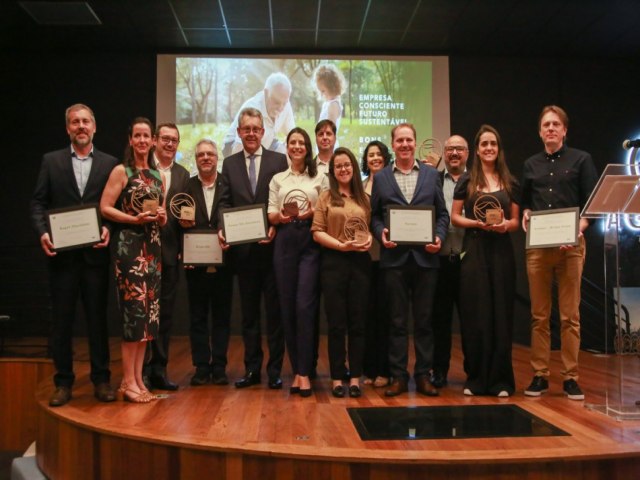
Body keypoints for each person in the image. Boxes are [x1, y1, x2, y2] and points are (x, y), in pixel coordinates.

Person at [31, 104, 118, 407]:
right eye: (74, 122)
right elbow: (38, 203)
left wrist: (107, 227)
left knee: (98, 320)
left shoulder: (110, 164)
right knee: (63, 322)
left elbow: (115, 205)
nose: (81, 126)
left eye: (85, 122)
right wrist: (43, 232)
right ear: (68, 128)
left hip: (95, 257)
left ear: (94, 127)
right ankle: (63, 382)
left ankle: (102, 379)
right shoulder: (51, 162)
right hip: (62, 258)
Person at [521, 105, 598, 401]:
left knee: (570, 316)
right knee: (539, 316)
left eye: (556, 124)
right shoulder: (530, 164)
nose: (551, 129)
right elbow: (526, 202)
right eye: (546, 125)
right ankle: (539, 375)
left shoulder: (582, 160)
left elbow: (590, 204)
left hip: (571, 247)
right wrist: (526, 213)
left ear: (564, 130)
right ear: (540, 131)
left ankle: (571, 377)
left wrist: (578, 229)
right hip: (538, 248)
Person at [370, 123, 449, 397]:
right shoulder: (381, 178)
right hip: (394, 260)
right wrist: (382, 234)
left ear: (415, 143)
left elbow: (442, 215)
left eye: (409, 140)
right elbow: (375, 217)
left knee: (425, 322)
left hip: (426, 260)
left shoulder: (431, 175)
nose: (404, 145)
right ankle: (398, 376)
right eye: (399, 140)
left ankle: (423, 375)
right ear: (393, 145)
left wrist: (438, 237)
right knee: (397, 322)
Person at [218, 107, 288, 390]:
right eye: (245, 129)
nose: (250, 133)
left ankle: (274, 372)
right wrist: (224, 227)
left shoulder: (278, 160)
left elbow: (284, 202)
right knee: (249, 317)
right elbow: (224, 202)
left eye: (255, 129)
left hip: (272, 253)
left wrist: (276, 226)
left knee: (275, 316)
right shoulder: (230, 163)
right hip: (243, 255)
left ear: (263, 132)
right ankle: (251, 370)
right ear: (239, 132)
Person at [100, 117, 167, 403]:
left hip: (152, 248)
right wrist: (132, 219)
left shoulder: (157, 174)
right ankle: (127, 382)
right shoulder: (121, 171)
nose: (142, 141)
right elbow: (104, 207)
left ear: (153, 141)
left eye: (146, 136)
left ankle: (138, 379)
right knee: (133, 317)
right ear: (131, 140)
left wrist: (162, 217)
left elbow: (160, 212)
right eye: (137, 136)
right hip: (129, 248)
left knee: (147, 320)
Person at [451, 125, 520, 397]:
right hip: (475, 249)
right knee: (476, 315)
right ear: (477, 150)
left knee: (501, 315)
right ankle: (476, 378)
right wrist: (476, 223)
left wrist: (505, 226)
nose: (489, 148)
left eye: (493, 143)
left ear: (498, 149)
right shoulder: (466, 181)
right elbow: (456, 217)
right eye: (484, 144)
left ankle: (501, 380)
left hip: (501, 251)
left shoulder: (510, 182)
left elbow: (515, 221)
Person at [268, 127, 329, 397]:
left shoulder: (320, 177)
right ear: (287, 146)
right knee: (287, 308)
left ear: (308, 147)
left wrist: (308, 212)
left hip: (310, 243)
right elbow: (270, 213)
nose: (296, 146)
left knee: (305, 306)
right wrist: (280, 217)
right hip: (284, 243)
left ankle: (306, 371)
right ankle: (296, 371)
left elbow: (326, 207)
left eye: (301, 142)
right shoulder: (277, 178)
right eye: (292, 142)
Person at [312, 147, 372, 398]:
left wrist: (368, 239)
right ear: (333, 171)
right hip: (333, 263)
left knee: (358, 323)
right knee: (336, 324)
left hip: (360, 264)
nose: (344, 169)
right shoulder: (325, 197)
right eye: (338, 166)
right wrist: (340, 245)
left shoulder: (364, 198)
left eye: (347, 165)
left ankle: (356, 377)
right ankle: (338, 377)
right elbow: (316, 231)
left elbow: (367, 229)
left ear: (354, 168)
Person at [180, 139, 233, 386]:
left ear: (217, 157)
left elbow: (231, 215)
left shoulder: (228, 185)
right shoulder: (187, 186)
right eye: (201, 154)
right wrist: (185, 252)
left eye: (210, 154)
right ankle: (201, 367)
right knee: (197, 317)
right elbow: (179, 222)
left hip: (224, 262)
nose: (206, 158)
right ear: (196, 158)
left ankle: (220, 367)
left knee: (222, 316)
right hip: (195, 264)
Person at [143, 122, 190, 392]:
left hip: (171, 253)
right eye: (165, 139)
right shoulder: (143, 171)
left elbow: (185, 214)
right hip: (143, 253)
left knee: (165, 315)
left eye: (174, 140)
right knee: (143, 314)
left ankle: (159, 370)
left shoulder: (184, 175)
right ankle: (141, 371)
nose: (170, 144)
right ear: (155, 142)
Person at [429, 135, 468, 389]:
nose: (454, 153)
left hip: (469, 261)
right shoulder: (432, 180)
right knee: (439, 321)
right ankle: (439, 371)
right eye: (450, 149)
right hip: (440, 260)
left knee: (471, 321)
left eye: (459, 149)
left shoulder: (478, 181)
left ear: (467, 153)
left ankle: (473, 371)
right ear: (444, 153)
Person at [360, 141, 392, 388]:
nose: (374, 158)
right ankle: (368, 370)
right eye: (370, 155)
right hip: (362, 258)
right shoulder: (358, 187)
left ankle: (385, 369)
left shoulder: (390, 184)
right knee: (366, 316)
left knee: (385, 315)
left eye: (378, 154)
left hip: (387, 257)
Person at [222, 72, 296, 157]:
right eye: (276, 102)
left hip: (265, 143)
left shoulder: (285, 104)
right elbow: (240, 147)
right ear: (266, 93)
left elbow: (293, 134)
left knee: (285, 152)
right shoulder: (252, 109)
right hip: (235, 146)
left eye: (284, 103)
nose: (281, 108)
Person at [313, 64, 346, 134]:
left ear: (332, 87)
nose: (321, 94)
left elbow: (330, 129)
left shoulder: (333, 105)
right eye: (320, 91)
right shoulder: (328, 103)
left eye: (323, 91)